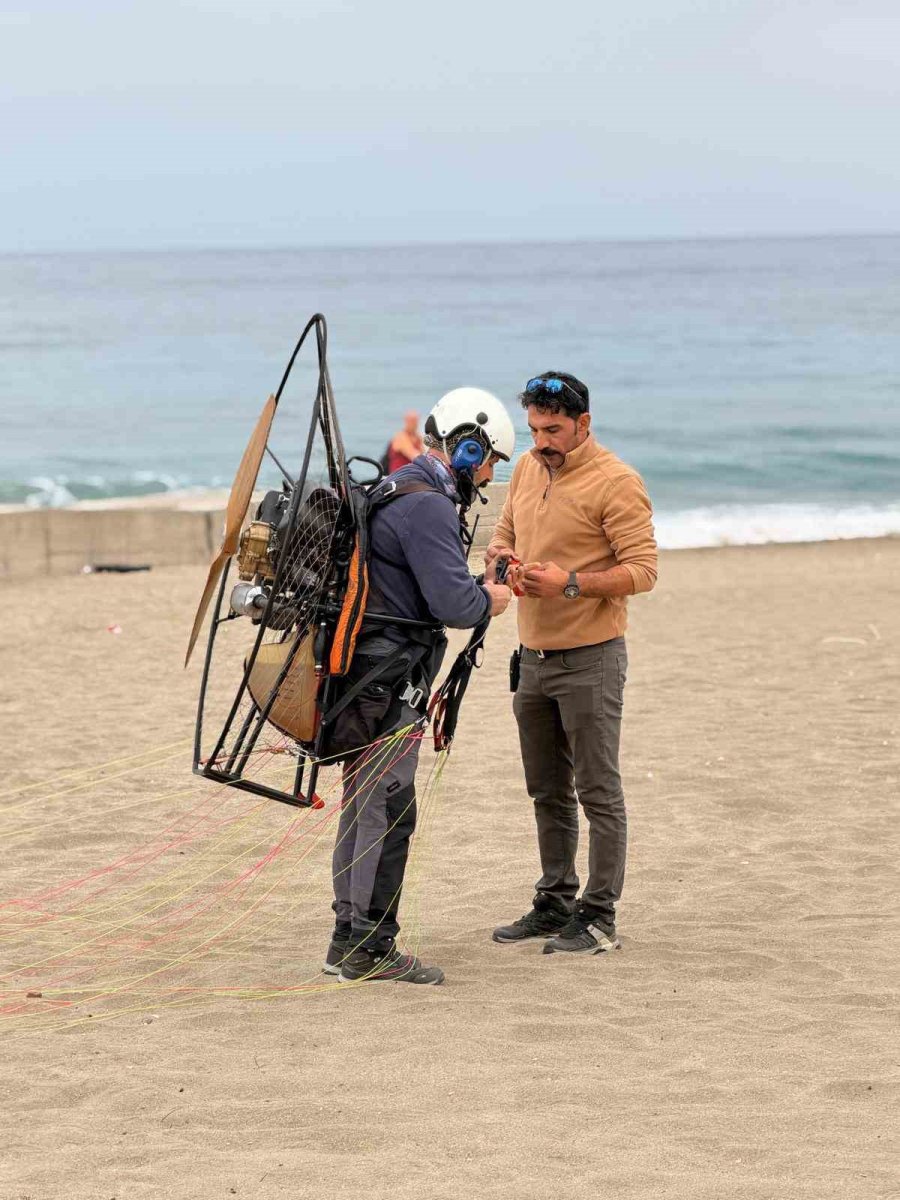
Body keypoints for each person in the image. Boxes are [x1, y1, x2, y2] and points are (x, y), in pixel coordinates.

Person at [327, 387, 515, 985]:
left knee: (363, 803)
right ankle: (367, 947)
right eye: (487, 460)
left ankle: (345, 939)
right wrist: (492, 596)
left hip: (365, 674)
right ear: (465, 447)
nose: (487, 475)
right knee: (387, 806)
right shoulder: (429, 506)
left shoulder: (395, 485)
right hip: (389, 679)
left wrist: (472, 586)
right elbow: (454, 605)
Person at [486, 371, 657, 956]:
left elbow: (643, 571)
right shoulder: (530, 467)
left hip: (592, 658)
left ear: (584, 423)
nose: (540, 440)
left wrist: (571, 584)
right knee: (546, 790)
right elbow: (504, 531)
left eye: (553, 429)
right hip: (531, 657)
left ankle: (600, 915)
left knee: (598, 791)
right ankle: (556, 900)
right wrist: (503, 559)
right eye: (534, 428)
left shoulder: (617, 482)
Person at [383, 410, 425, 474]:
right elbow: (415, 457)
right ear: (406, 421)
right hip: (399, 477)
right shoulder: (400, 437)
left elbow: (424, 455)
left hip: (412, 476)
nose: (414, 424)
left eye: (415, 421)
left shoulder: (418, 438)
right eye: (411, 421)